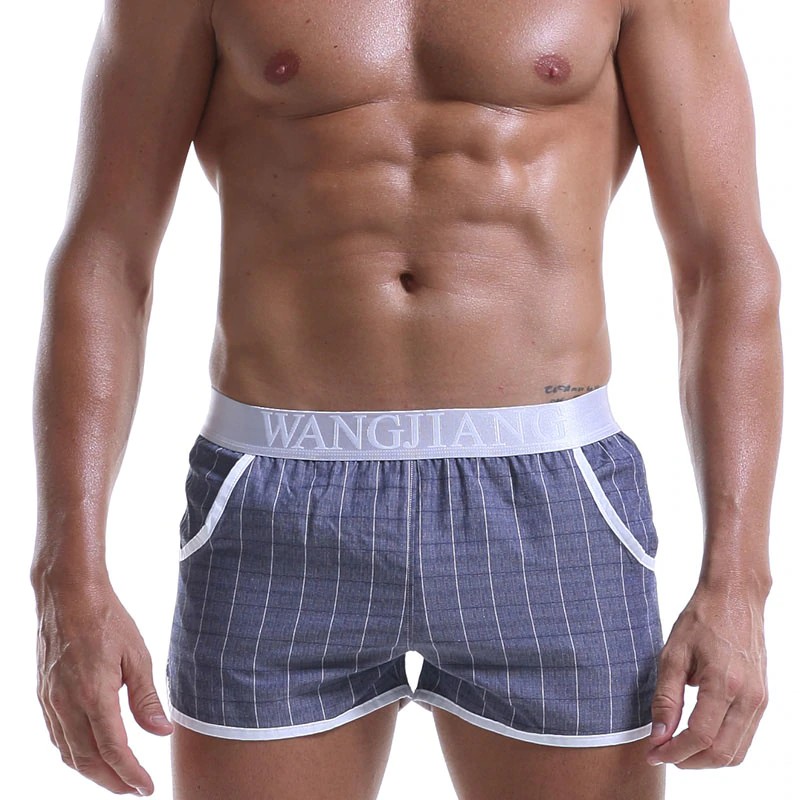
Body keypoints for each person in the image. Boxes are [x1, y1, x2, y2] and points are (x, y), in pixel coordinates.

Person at [30, 0, 782, 798]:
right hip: (278, 500)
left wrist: (739, 584)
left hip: (551, 496)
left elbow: (723, 266)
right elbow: (106, 259)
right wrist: (67, 582)